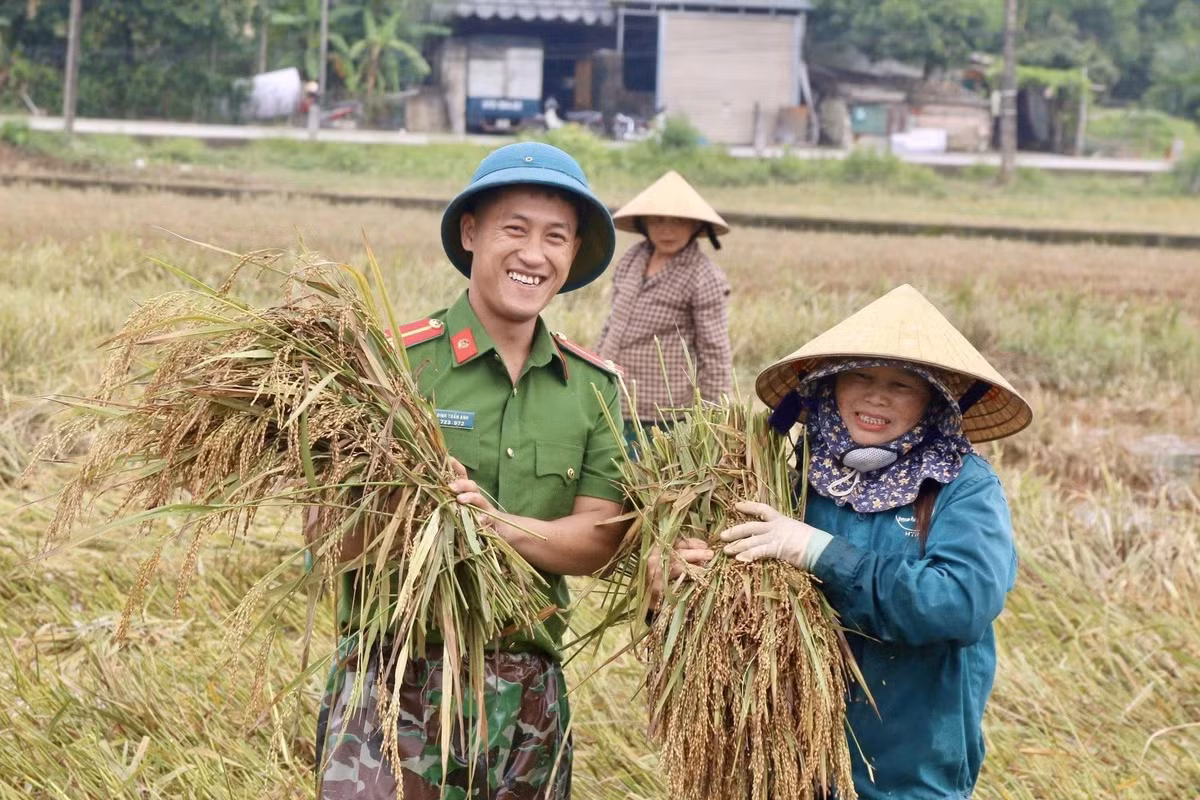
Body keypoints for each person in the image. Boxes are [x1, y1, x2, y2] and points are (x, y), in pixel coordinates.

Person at [312, 142, 628, 799]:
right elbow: (328, 537)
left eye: (555, 237)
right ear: (471, 232)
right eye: (515, 228)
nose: (533, 254)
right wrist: (414, 509)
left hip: (527, 696)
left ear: (572, 256)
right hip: (392, 678)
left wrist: (496, 525)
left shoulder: (593, 387)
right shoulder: (388, 367)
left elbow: (601, 538)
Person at [657, 284, 1033, 799]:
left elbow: (962, 602)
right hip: (789, 762)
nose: (876, 396)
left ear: (934, 400)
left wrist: (819, 552)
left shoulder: (961, 486)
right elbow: (733, 605)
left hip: (908, 769)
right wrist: (682, 577)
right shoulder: (793, 473)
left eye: (903, 385)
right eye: (860, 376)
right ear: (828, 386)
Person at [594, 170, 732, 448]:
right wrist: (594, 370)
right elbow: (613, 323)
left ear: (695, 226)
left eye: (678, 221)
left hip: (662, 412)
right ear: (644, 224)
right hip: (613, 395)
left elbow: (715, 351)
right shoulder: (632, 259)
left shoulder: (703, 276)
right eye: (657, 221)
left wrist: (713, 417)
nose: (667, 230)